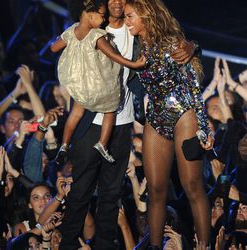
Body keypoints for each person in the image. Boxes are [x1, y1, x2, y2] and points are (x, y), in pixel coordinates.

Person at [58, 0, 196, 249]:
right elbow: (58, 49)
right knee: (80, 192)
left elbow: (172, 40)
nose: (117, 2)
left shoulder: (136, 30)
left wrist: (192, 45)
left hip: (122, 122)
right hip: (90, 121)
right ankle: (67, 245)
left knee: (111, 195)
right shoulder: (89, 27)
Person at [124, 0, 214, 249]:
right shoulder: (131, 44)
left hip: (184, 113)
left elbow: (193, 86)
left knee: (192, 185)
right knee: (155, 189)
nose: (127, 21)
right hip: (156, 116)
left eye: (131, 16)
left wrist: (203, 126)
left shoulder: (171, 42)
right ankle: (155, 246)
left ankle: (203, 245)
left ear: (145, 15)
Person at [51, 0, 145, 164]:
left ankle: (64, 144)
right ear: (88, 14)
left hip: (80, 84)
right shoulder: (97, 35)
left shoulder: (72, 31)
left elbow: (53, 48)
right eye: (101, 16)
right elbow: (113, 55)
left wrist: (62, 38)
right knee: (111, 109)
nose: (103, 20)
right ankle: (102, 143)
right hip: (99, 83)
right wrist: (134, 64)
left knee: (75, 113)